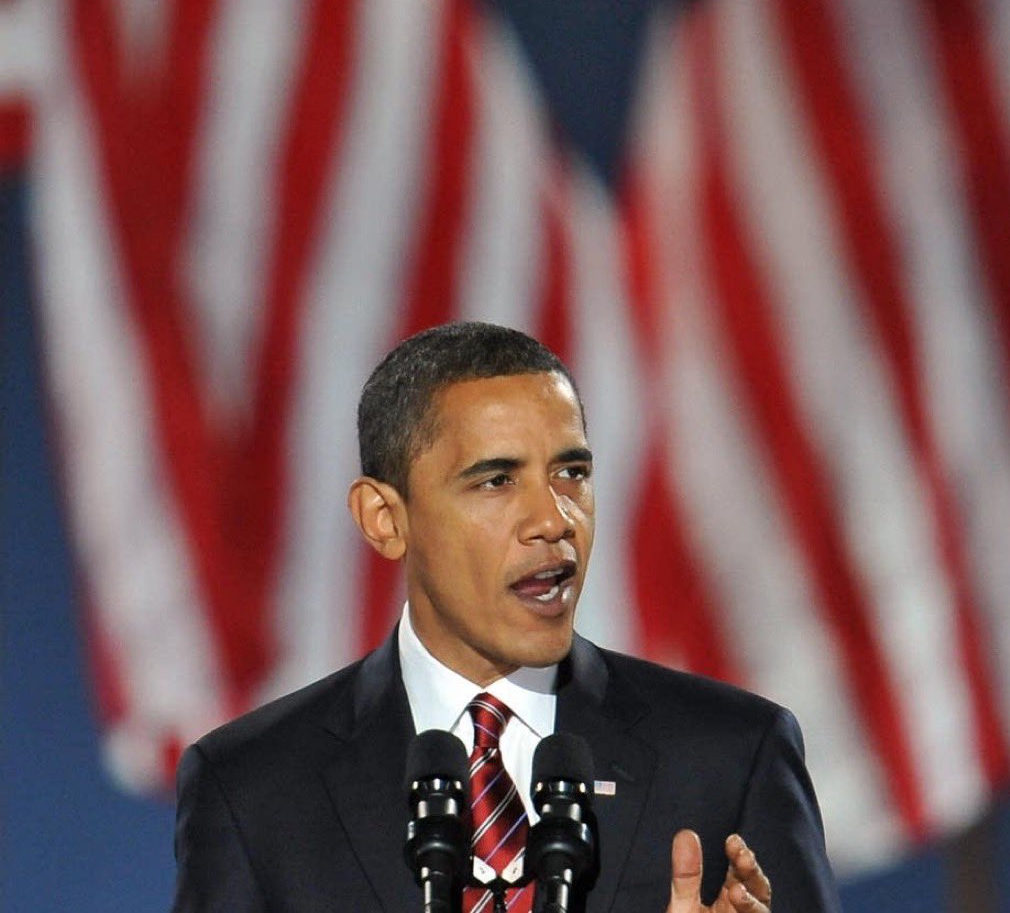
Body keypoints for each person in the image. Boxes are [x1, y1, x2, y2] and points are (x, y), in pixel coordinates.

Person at [172, 322, 841, 913]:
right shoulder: (253, 788)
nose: (554, 519)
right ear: (385, 519)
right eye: (496, 481)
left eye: (571, 473)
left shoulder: (732, 756)